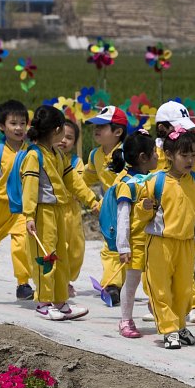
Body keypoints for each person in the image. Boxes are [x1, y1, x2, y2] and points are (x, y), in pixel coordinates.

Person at [135, 128, 195, 349]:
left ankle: (179, 325)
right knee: (159, 288)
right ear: (169, 155)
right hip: (159, 243)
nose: (190, 160)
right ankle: (169, 329)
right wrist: (144, 208)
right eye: (184, 155)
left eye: (193, 155)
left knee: (183, 290)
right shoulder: (155, 182)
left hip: (187, 245)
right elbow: (140, 215)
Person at [21, 105, 99, 320]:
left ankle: (61, 301)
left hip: (58, 212)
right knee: (45, 257)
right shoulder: (34, 156)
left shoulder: (57, 154)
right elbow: (29, 187)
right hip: (42, 213)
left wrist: (92, 200)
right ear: (56, 129)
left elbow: (73, 180)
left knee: (60, 256)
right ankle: (44, 302)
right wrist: (29, 215)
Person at [154, 100, 195, 323]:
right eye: (178, 128)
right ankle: (162, 311)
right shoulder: (151, 153)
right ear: (163, 128)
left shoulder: (192, 157)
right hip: (160, 228)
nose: (184, 132)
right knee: (159, 275)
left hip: (185, 223)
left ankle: (192, 304)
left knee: (186, 271)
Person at [108, 129, 159, 338]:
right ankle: (125, 320)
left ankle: (156, 309)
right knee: (131, 284)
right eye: (155, 152)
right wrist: (124, 247)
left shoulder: (152, 179)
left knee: (157, 280)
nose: (158, 156)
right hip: (135, 243)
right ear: (143, 158)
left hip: (153, 241)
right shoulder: (127, 185)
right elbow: (123, 217)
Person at [0, 100, 35, 300]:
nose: (19, 128)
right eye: (13, 123)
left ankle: (23, 284)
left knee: (22, 244)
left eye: (22, 123)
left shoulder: (33, 153)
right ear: (1, 126)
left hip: (21, 210)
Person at [83, 106, 127, 306]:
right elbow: (86, 177)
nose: (96, 130)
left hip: (130, 206)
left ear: (118, 132)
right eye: (95, 126)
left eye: (102, 126)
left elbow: (124, 180)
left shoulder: (127, 153)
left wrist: (101, 201)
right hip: (111, 211)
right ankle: (112, 286)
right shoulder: (95, 155)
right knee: (111, 247)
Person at [56, 119, 86, 298]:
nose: (64, 140)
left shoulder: (77, 162)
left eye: (69, 137)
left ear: (74, 143)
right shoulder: (47, 159)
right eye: (61, 135)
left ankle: (67, 278)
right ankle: (59, 282)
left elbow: (77, 186)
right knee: (57, 248)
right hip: (54, 209)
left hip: (72, 211)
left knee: (76, 250)